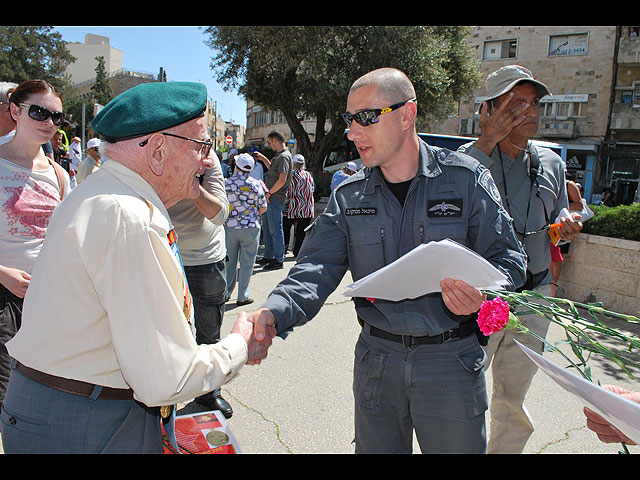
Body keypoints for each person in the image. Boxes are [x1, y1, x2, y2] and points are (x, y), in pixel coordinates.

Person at [245, 67, 527, 454]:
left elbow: (509, 258)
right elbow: (317, 266)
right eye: (349, 120)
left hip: (450, 361)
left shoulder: (464, 179)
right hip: (378, 360)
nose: (352, 132)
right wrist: (274, 311)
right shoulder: (351, 194)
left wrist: (484, 298)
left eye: (366, 118)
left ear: (407, 114)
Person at [1, 81, 274, 453]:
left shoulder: (106, 194)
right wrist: (240, 343)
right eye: (201, 146)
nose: (208, 161)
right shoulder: (129, 217)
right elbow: (168, 378)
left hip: (72, 408)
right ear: (158, 150)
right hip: (87, 422)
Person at [458, 64, 583, 454]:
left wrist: (567, 223)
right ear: (489, 110)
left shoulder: (551, 162)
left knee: (514, 397)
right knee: (465, 393)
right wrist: (487, 140)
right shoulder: (466, 161)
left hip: (535, 295)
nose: (530, 112)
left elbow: (559, 218)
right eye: (516, 103)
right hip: (488, 299)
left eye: (534, 104)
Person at [0, 79, 71, 418]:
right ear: (15, 110)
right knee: (4, 397)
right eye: (39, 112)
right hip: (3, 300)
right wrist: (3, 274)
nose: (49, 123)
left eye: (57, 117)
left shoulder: (59, 176)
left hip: (44, 301)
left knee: (38, 396)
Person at [166, 124, 234, 419]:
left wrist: (191, 186)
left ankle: (209, 394)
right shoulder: (157, 157)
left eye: (206, 145)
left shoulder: (210, 163)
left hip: (206, 259)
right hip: (166, 255)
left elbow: (219, 214)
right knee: (168, 331)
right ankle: (166, 395)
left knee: (209, 330)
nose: (204, 153)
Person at [224, 153, 267, 306]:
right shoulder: (256, 184)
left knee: (230, 263)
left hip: (230, 227)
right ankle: (243, 295)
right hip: (251, 227)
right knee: (247, 264)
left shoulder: (226, 183)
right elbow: (263, 207)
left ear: (236, 166)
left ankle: (226, 292)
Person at [254, 130, 293, 271]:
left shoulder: (284, 157)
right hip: (271, 197)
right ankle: (269, 256)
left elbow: (282, 179)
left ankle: (278, 259)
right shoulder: (281, 156)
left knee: (275, 229)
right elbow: (275, 173)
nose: (270, 145)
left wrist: (269, 193)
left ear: (275, 140)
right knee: (269, 229)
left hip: (275, 198)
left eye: (270, 142)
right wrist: (264, 159)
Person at [283, 154, 314, 257]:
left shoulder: (290, 175)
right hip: (307, 207)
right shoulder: (308, 175)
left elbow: (286, 190)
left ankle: (283, 250)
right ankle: (298, 252)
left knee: (285, 229)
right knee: (302, 231)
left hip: (292, 206)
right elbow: (312, 189)